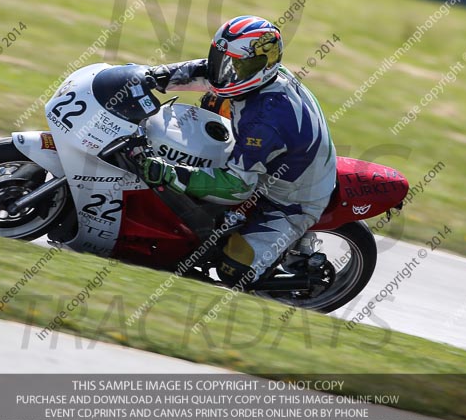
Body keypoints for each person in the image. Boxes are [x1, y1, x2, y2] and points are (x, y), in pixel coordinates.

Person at [142, 15, 337, 288]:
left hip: (289, 200)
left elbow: (238, 187)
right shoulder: (258, 76)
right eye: (223, 60)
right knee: (210, 103)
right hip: (267, 159)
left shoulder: (266, 119)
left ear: (261, 65)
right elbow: (207, 73)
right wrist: (149, 77)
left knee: (233, 268)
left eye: (237, 65)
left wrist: (170, 174)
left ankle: (294, 275)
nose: (225, 72)